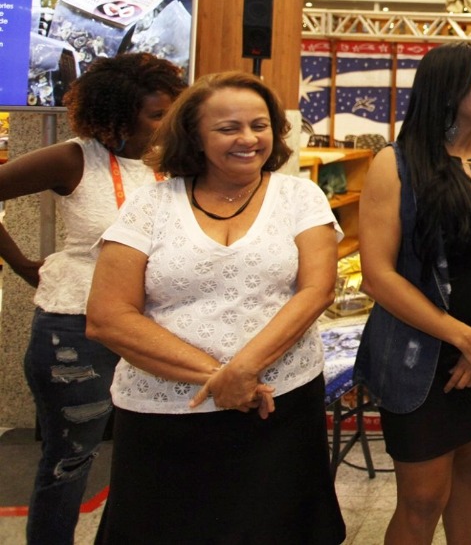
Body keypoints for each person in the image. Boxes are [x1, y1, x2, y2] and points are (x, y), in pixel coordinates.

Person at [85, 71, 345, 544]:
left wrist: (244, 369)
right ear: (195, 135)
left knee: (276, 529)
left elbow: (316, 291)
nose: (249, 139)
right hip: (164, 415)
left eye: (260, 126)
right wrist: (221, 377)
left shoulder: (299, 196)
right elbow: (108, 317)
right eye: (228, 128)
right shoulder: (150, 205)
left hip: (277, 408)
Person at [354, 42, 471, 545]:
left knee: (468, 469)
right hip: (421, 355)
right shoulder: (395, 164)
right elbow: (377, 276)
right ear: (449, 90)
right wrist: (463, 339)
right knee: (422, 497)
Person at [0, 53, 184, 545]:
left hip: (149, 328)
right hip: (76, 331)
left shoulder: (171, 164)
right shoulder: (74, 159)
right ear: (118, 115)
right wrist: (21, 264)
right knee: (70, 461)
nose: (167, 123)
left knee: (149, 455)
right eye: (156, 114)